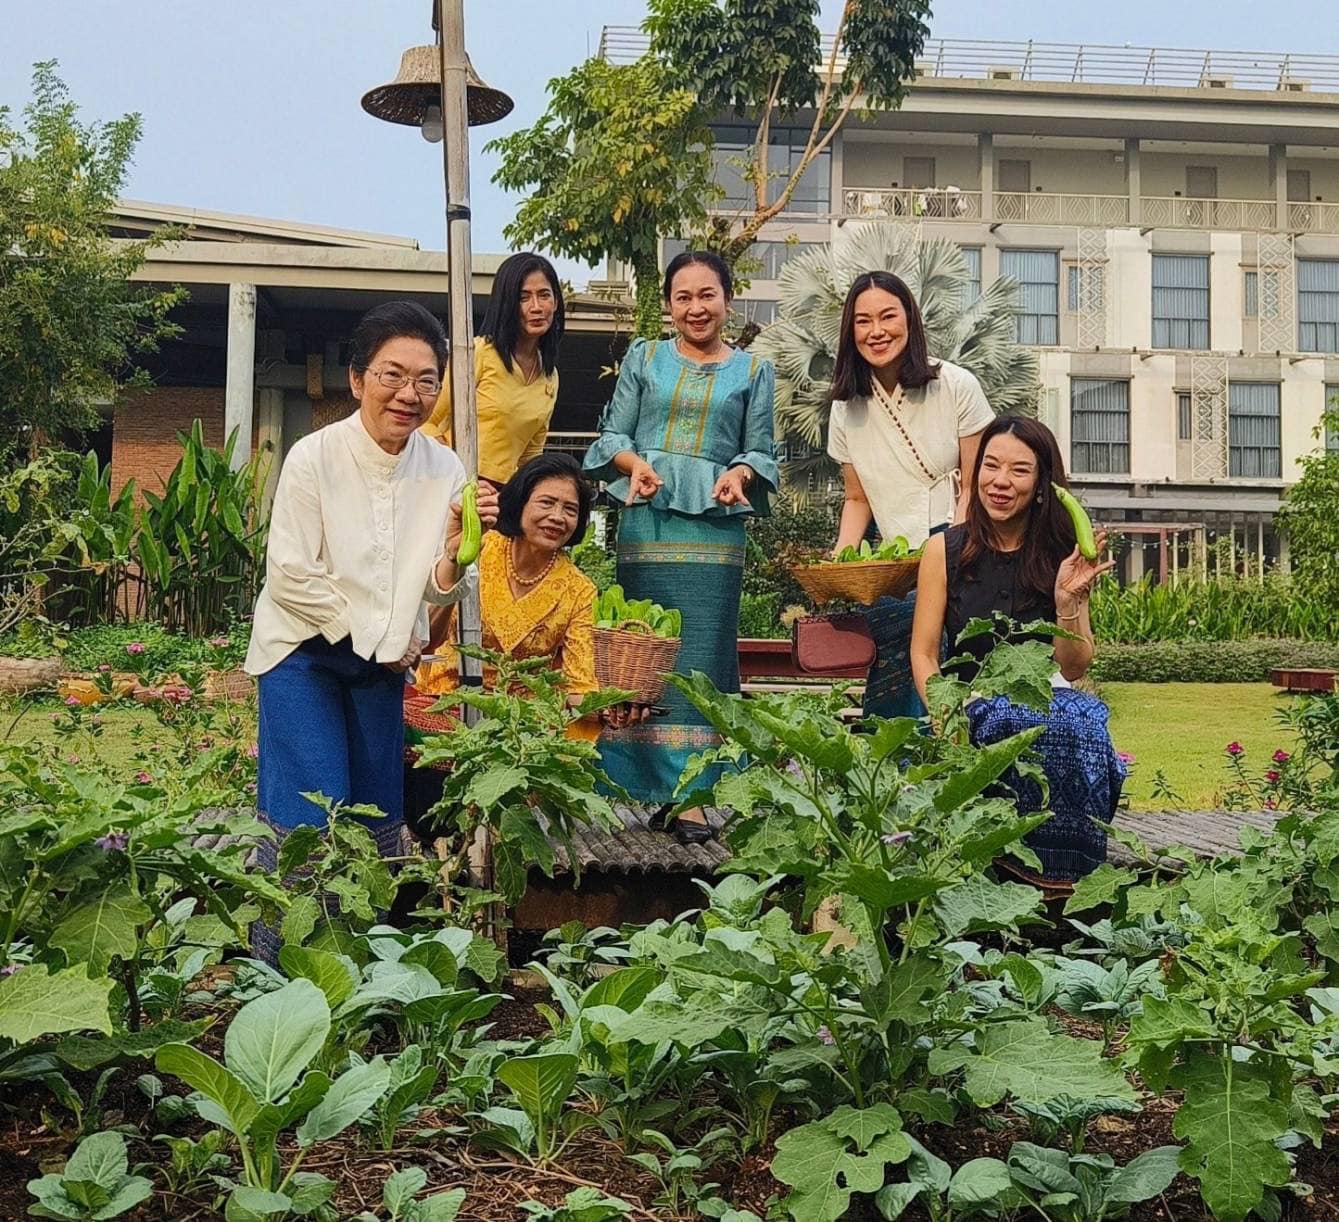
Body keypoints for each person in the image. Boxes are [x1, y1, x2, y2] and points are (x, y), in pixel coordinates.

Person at [243, 301, 500, 887]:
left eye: (426, 380)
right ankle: (281, 965)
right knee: (315, 814)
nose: (409, 393)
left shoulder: (445, 467)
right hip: (303, 654)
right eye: (393, 375)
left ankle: (363, 964)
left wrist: (457, 548)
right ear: (358, 379)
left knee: (376, 813)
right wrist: (374, 640)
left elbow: (440, 592)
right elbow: (288, 575)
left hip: (385, 661)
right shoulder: (314, 456)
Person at [583, 250, 778, 843]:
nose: (696, 307)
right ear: (668, 305)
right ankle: (645, 782)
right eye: (683, 297)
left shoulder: (753, 371)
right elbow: (612, 435)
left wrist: (740, 473)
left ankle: (693, 794)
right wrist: (634, 462)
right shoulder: (643, 358)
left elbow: (763, 449)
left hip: (716, 526)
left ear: (727, 298)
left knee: (703, 654)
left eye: (707, 295)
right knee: (645, 650)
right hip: (649, 519)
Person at [909, 415, 1124, 883]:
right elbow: (924, 654)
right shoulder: (943, 550)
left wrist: (1068, 601)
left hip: (1048, 694)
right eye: (990, 466)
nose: (1000, 482)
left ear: (1043, 484)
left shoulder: (1063, 553)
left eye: (1019, 471)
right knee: (1019, 720)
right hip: (972, 701)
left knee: (1085, 720)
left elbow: (1074, 667)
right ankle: (1016, 870)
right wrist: (945, 719)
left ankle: (1069, 876)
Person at [827, 270, 995, 719]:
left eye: (888, 316)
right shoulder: (845, 409)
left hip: (961, 558)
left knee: (955, 677)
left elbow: (976, 485)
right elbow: (857, 499)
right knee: (892, 683)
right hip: (893, 572)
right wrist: (839, 566)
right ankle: (890, 779)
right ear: (850, 331)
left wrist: (952, 555)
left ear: (910, 320)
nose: (876, 331)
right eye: (863, 321)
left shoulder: (957, 385)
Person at [411, 453, 600, 735]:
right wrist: (456, 560)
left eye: (570, 510)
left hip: (519, 724)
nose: (557, 517)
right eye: (546, 503)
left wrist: (612, 706)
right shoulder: (479, 546)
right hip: (442, 703)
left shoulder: (579, 590)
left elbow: (579, 682)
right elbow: (425, 637)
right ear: (520, 503)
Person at [422, 250, 563, 488]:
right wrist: (457, 473)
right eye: (523, 297)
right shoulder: (476, 353)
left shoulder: (551, 376)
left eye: (544, 295)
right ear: (506, 303)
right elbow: (426, 420)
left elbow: (531, 455)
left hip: (501, 499)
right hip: (450, 485)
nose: (536, 306)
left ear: (556, 302)